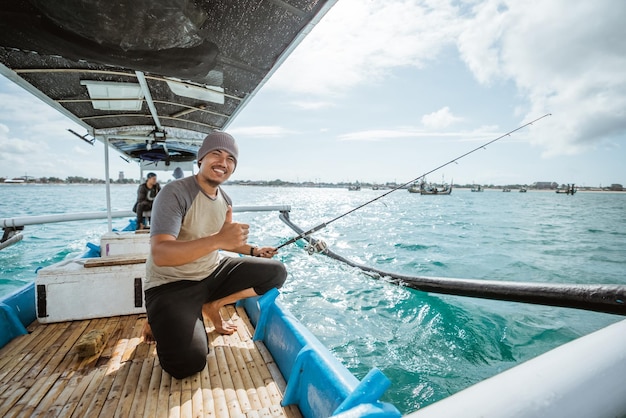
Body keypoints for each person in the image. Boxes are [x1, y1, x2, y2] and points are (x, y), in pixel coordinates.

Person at [142, 131, 287, 379]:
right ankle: (159, 318)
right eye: (216, 154)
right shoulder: (174, 193)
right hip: (171, 284)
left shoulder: (225, 199)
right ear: (200, 159)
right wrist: (219, 240)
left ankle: (213, 304)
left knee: (275, 272)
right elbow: (161, 254)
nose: (223, 162)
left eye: (231, 158)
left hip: (211, 272)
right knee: (186, 365)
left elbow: (221, 240)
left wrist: (253, 250)